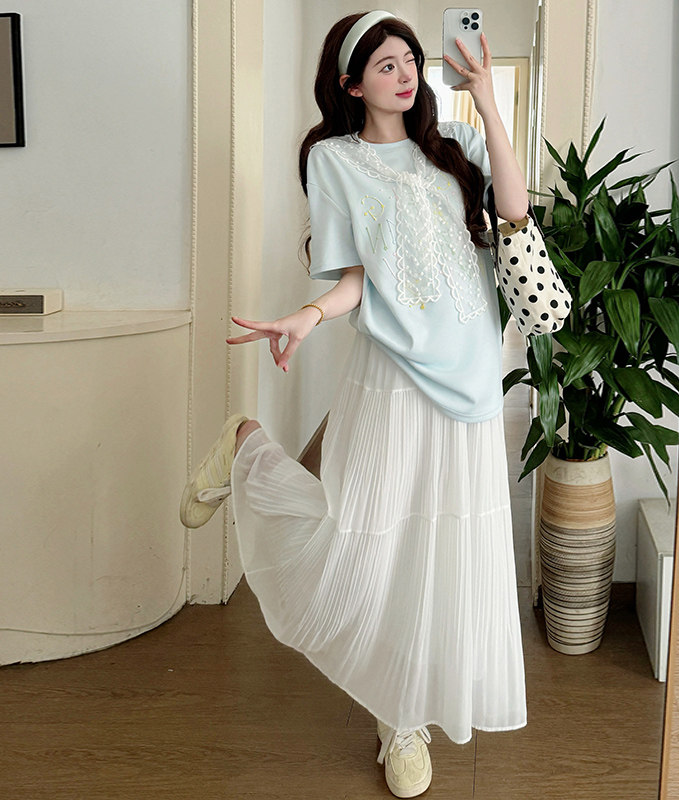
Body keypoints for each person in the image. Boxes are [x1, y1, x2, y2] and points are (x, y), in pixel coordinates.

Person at [180, 10, 529, 798]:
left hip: (472, 379)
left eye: (410, 61)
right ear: (350, 83)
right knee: (363, 542)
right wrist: (306, 317)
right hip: (392, 374)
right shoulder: (333, 160)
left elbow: (514, 212)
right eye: (385, 65)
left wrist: (485, 100)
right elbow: (355, 278)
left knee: (442, 548)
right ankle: (245, 447)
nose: (404, 75)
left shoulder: (454, 146)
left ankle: (401, 716)